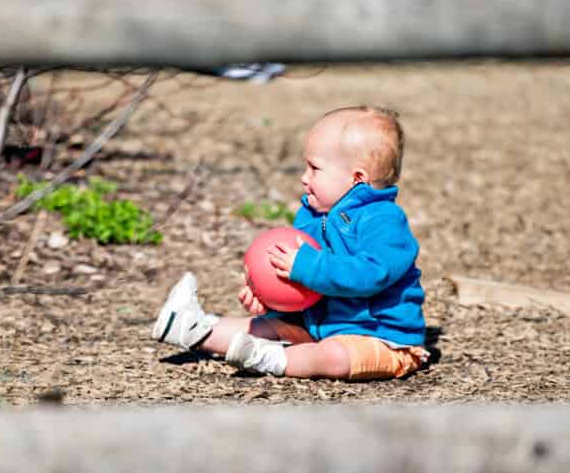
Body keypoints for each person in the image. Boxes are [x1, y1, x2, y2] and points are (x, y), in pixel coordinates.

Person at [152, 106, 428, 380]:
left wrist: (307, 266)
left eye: (314, 168)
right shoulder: (311, 215)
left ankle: (270, 358)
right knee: (262, 326)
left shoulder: (384, 220)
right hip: (317, 326)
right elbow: (303, 287)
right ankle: (194, 328)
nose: (304, 177)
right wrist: (271, 299)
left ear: (357, 178)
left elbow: (371, 275)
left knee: (334, 355)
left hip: (379, 338)